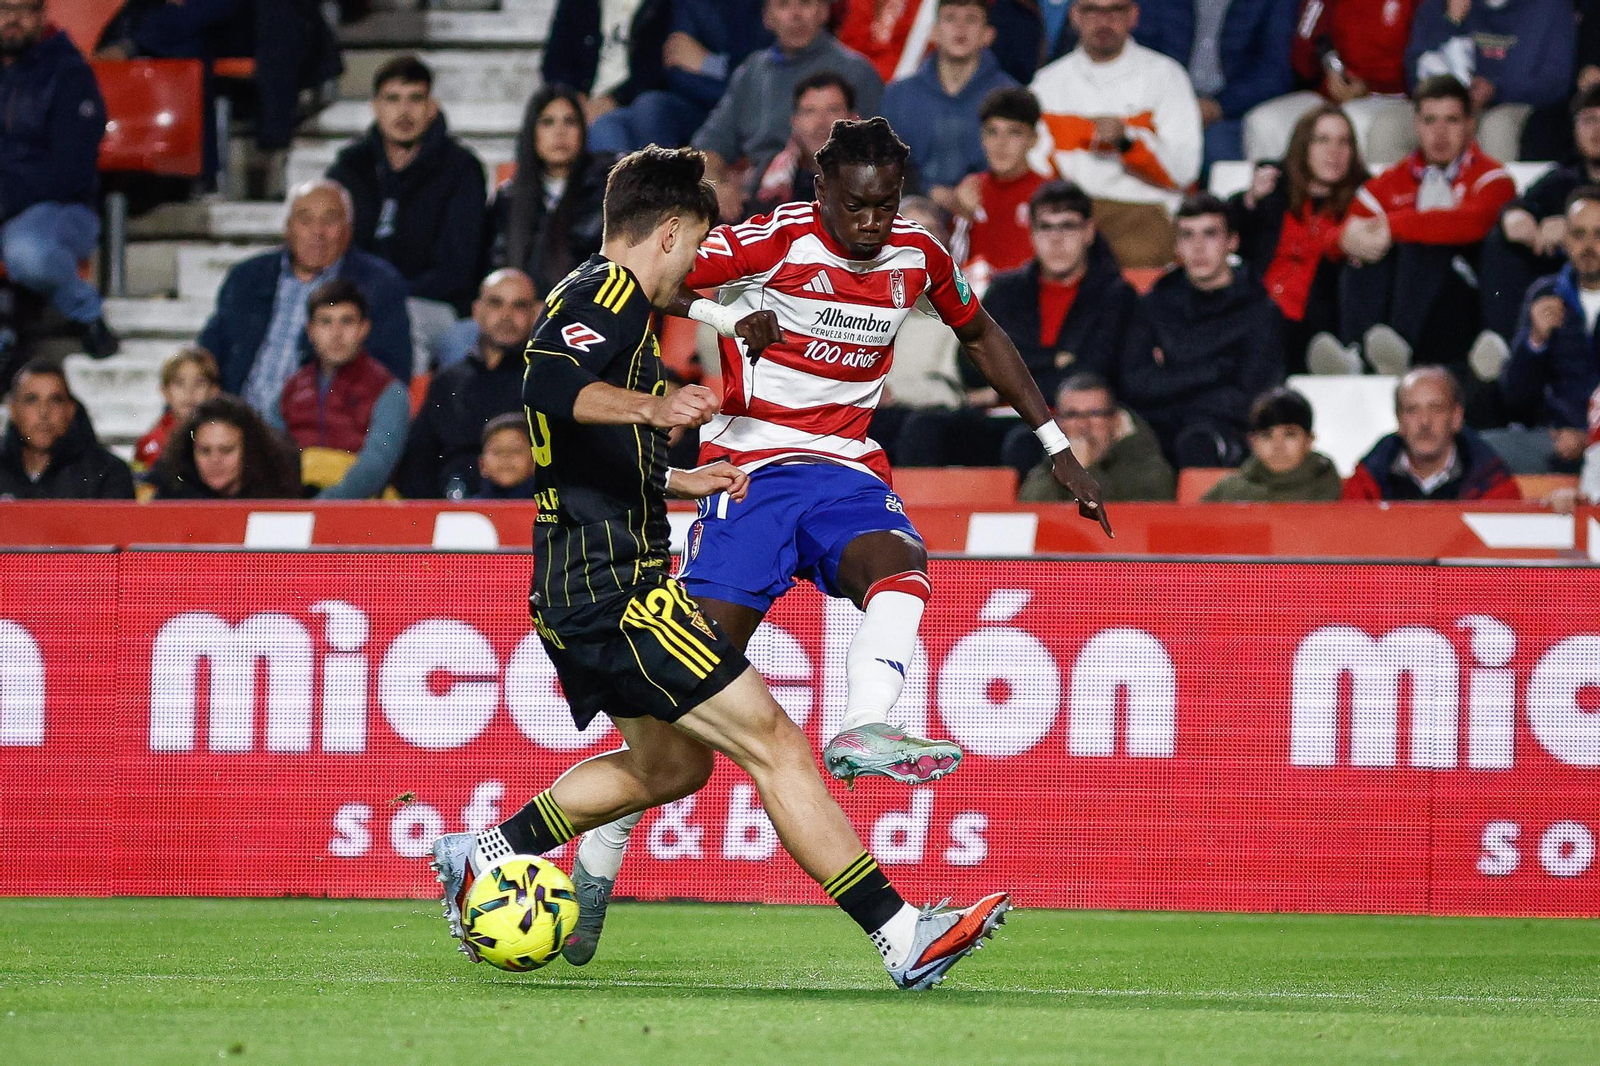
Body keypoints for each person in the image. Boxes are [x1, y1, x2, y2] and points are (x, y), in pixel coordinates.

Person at [427, 145, 1013, 992]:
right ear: (671, 232)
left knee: (672, 766)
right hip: (613, 589)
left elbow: (581, 449)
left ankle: (483, 850)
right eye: (697, 244)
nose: (695, 272)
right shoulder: (609, 292)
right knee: (776, 743)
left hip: (581, 583)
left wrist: (676, 478)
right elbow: (545, 386)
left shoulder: (595, 295)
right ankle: (901, 935)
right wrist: (657, 406)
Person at [559, 118, 1110, 964]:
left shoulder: (918, 256)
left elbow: (981, 335)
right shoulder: (771, 240)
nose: (872, 223)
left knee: (903, 566)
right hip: (748, 474)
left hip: (844, 469)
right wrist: (724, 315)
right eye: (856, 206)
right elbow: (648, 284)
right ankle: (604, 840)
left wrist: (1055, 443)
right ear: (821, 191)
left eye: (886, 206)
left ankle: (864, 724)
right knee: (687, 702)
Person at [903, 180, 1135, 467]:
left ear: (1088, 232)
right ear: (1032, 233)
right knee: (923, 428)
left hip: (1065, 422)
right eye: (1045, 228)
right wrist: (1055, 359)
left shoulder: (1115, 295)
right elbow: (969, 361)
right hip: (998, 417)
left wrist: (1005, 375)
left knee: (1022, 443)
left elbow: (1095, 371)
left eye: (1067, 227)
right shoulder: (1005, 290)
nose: (1056, 240)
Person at [1333, 76, 1514, 377]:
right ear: (1416, 125)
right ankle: (1355, 354)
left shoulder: (1493, 177)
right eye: (1430, 121)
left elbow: (1474, 222)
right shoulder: (1390, 182)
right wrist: (1345, 237)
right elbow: (1350, 231)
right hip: (1398, 299)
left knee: (1421, 245)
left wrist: (1394, 225)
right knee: (1361, 254)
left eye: (1451, 120)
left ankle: (1400, 346)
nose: (1440, 133)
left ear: (1470, 124)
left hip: (1462, 306)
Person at [196, 180, 413, 418]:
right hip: (236, 422)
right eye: (305, 219)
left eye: (330, 220)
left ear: (348, 230)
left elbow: (391, 373)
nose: (317, 231)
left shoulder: (378, 285)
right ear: (288, 228)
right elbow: (208, 353)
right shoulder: (248, 276)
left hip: (322, 425)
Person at [326, 55, 487, 358]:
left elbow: (456, 268)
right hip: (359, 301)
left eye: (415, 99)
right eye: (392, 99)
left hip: (433, 304)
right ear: (375, 106)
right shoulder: (350, 166)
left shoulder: (461, 168)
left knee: (401, 323)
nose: (404, 111)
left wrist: (387, 295)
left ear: (431, 107)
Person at [1028, 0, 1203, 268]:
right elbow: (1034, 168)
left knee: (1135, 255)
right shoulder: (1047, 83)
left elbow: (1184, 172)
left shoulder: (1166, 76)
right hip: (1069, 213)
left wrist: (1126, 142)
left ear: (1133, 16)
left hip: (1145, 209)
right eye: (1092, 10)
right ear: (1075, 16)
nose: (1104, 20)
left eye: (1115, 10)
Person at [1118, 193, 1286, 468]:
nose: (1198, 247)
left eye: (1210, 234)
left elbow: (1253, 400)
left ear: (1232, 242)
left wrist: (1170, 381)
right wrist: (1217, 370)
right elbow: (1135, 384)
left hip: (1226, 434)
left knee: (1197, 443)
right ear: (1177, 245)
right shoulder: (1152, 306)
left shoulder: (1260, 312)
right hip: (1157, 430)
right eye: (1187, 235)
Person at [692, 0, 883, 222]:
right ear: (767, 18)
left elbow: (876, 155)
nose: (795, 15)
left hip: (825, 195)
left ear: (823, 11)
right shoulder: (751, 71)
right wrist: (717, 186)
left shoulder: (857, 72)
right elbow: (708, 149)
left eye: (805, 3)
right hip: (753, 201)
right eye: (783, 5)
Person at [0, 1, 118, 359]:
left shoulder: (69, 73)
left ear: (41, 15)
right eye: (4, 9)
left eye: (25, 9)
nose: (13, 20)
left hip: (60, 209)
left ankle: (87, 314)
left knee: (26, 251)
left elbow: (69, 172)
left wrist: (6, 199)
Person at [1230, 105, 1369, 374]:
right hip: (1251, 313)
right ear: (1303, 146)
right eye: (1322, 140)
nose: (1334, 151)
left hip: (1311, 329)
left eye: (1344, 142)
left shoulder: (1364, 203)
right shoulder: (1273, 191)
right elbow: (1226, 233)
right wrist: (1250, 200)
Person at [396, 270, 538, 498]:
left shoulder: (547, 382)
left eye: (519, 306)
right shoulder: (447, 381)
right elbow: (417, 461)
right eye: (496, 303)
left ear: (536, 314)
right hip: (449, 508)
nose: (507, 315)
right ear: (477, 311)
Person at [1479, 87, 1600, 345]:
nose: (1597, 130)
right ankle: (1507, 344)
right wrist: (1516, 217)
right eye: (1589, 120)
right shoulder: (1563, 177)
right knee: (1500, 242)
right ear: (1575, 129)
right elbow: (1520, 206)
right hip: (1562, 285)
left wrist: (1573, 229)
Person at [269, 280, 408, 500]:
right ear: (310, 331)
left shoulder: (389, 390)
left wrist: (324, 506)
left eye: (347, 321)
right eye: (326, 322)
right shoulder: (291, 389)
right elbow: (270, 454)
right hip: (295, 499)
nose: (336, 334)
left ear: (364, 329)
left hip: (363, 506)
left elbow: (377, 462)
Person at [1244, 0, 1422, 168]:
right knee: (1264, 122)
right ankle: (1275, 190)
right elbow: (1303, 60)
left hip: (1394, 98)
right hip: (1331, 95)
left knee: (1350, 121)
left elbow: (1421, 62)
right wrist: (1330, 70)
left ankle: (1365, 192)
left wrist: (1370, 88)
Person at [1497, 189, 1600, 474]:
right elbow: (1515, 397)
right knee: (1481, 451)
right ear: (1565, 239)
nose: (1588, 246)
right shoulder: (1544, 294)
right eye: (1578, 234)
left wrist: (1590, 439)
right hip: (1553, 441)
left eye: (1598, 235)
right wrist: (1535, 340)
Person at [879, 0, 1017, 210]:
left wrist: (981, 188)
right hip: (912, 213)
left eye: (971, 19)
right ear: (933, 32)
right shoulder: (897, 95)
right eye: (950, 18)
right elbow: (884, 166)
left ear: (988, 35)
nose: (960, 27)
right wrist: (928, 192)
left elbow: (1023, 166)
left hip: (990, 210)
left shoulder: (1011, 96)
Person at [585, 0, 773, 154]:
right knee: (608, 125)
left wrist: (708, 63)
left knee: (650, 108)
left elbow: (765, 73)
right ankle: (622, 189)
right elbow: (675, 69)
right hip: (690, 104)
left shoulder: (765, 8)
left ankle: (666, 187)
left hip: (744, 110)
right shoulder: (686, 5)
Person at [1131, 0, 1297, 173]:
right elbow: (1140, 49)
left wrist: (1217, 106)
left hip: (1233, 110)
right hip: (1164, 100)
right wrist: (1171, 103)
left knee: (1215, 153)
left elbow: (1275, 70)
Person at [487, 86, 616, 302]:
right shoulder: (508, 199)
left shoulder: (607, 192)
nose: (560, 132)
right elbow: (495, 268)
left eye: (570, 122)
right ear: (532, 132)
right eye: (547, 122)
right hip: (519, 311)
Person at [1406, 0, 1574, 165]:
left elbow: (1556, 82)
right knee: (1393, 124)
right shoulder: (1440, 4)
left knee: (1497, 127)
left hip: (1517, 103)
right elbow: (1415, 75)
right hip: (1446, 102)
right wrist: (1450, 22)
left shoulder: (1550, 6)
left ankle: (1496, 183)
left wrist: (1495, 89)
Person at [1343, 366, 1521, 499]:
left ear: (1456, 417)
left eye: (1436, 409)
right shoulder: (1367, 481)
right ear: (1399, 421)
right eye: (1412, 410)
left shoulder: (1491, 481)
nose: (1424, 422)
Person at [1018, 372, 1175, 501]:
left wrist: (1085, 473)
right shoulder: (1047, 467)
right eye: (1072, 415)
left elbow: (1122, 523)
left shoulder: (1150, 470)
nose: (1083, 425)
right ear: (1059, 423)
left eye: (1094, 414)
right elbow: (1032, 513)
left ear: (1115, 421)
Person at [542, 0, 672, 152]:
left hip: (635, 102)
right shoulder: (578, 4)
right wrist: (576, 100)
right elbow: (554, 63)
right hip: (583, 102)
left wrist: (613, 100)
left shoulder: (661, 4)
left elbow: (657, 69)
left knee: (606, 129)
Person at [953, 87, 1048, 287]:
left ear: (1033, 139)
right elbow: (950, 268)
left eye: (1014, 133)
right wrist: (964, 213)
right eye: (992, 132)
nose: (1001, 143)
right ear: (982, 138)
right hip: (977, 297)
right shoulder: (970, 190)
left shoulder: (1048, 194)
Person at [0, 358, 133, 499]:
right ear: (12, 408)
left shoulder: (107, 472)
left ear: (70, 409)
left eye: (55, 400)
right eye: (31, 400)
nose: (44, 412)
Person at [1202, 386, 1344, 501]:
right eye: (1267, 436)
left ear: (1309, 440)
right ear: (1253, 442)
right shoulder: (1228, 494)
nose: (1278, 446)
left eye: (1289, 434)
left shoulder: (1333, 491)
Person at [746, 72, 856, 218]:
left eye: (833, 110)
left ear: (853, 119)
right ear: (794, 122)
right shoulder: (769, 177)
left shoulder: (875, 177)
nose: (821, 123)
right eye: (810, 111)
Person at [150, 394, 302, 499]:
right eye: (205, 451)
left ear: (249, 450)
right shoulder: (172, 492)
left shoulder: (278, 489)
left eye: (226, 450)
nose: (215, 460)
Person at [133, 348, 221, 476]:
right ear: (165, 391)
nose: (189, 391)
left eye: (199, 382)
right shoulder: (150, 443)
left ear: (214, 391)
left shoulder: (224, 438)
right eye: (179, 383)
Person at [474, 413, 536, 499]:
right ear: (482, 465)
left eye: (516, 450)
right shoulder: (466, 507)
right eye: (497, 451)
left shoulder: (550, 506)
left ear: (535, 462)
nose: (506, 456)